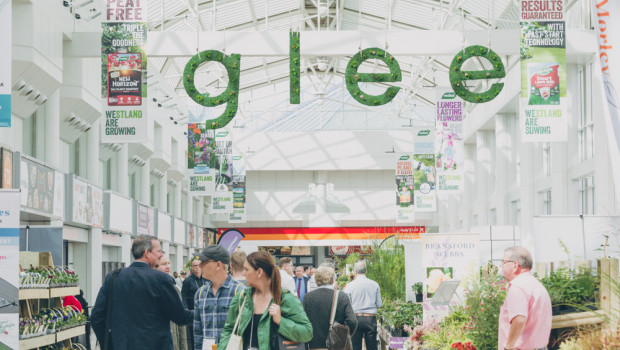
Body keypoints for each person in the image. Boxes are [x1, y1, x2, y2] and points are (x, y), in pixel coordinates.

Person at [91, 235, 193, 350]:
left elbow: (96, 317)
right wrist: (201, 313)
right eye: (158, 251)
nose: (161, 255)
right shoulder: (161, 279)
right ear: (147, 253)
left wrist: (110, 343)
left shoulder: (114, 277)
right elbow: (180, 317)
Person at [219, 251, 313, 350]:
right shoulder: (242, 298)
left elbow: (307, 333)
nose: (243, 273)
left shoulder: (285, 299)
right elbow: (229, 330)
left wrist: (281, 321)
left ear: (259, 272)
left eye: (246, 269)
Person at [499, 246, 552, 350]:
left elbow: (519, 319)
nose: (501, 265)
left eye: (504, 262)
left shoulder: (518, 287)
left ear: (515, 265)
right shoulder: (536, 285)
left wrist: (508, 347)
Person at [193, 245, 246, 349]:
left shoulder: (239, 292)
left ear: (218, 265)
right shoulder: (200, 293)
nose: (199, 265)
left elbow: (246, 330)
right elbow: (198, 333)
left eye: (204, 262)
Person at [303, 266, 357, 350]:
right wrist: (344, 335)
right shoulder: (341, 296)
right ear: (332, 280)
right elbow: (352, 321)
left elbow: (303, 322)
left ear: (317, 280)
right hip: (337, 345)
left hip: (315, 345)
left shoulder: (307, 297)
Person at [344, 260, 381, 350]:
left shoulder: (349, 286)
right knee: (372, 346)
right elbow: (379, 304)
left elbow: (346, 305)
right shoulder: (375, 284)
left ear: (355, 272)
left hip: (355, 318)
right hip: (370, 318)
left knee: (355, 346)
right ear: (366, 271)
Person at [156, 253, 188, 350]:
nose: (168, 267)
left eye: (169, 263)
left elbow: (181, 325)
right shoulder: (150, 289)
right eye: (163, 264)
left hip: (174, 344)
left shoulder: (175, 288)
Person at [182, 256, 207, 349]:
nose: (197, 267)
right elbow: (183, 296)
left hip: (204, 311)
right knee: (194, 336)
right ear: (192, 267)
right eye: (195, 265)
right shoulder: (188, 281)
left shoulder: (206, 279)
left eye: (199, 265)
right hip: (193, 312)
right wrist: (186, 309)